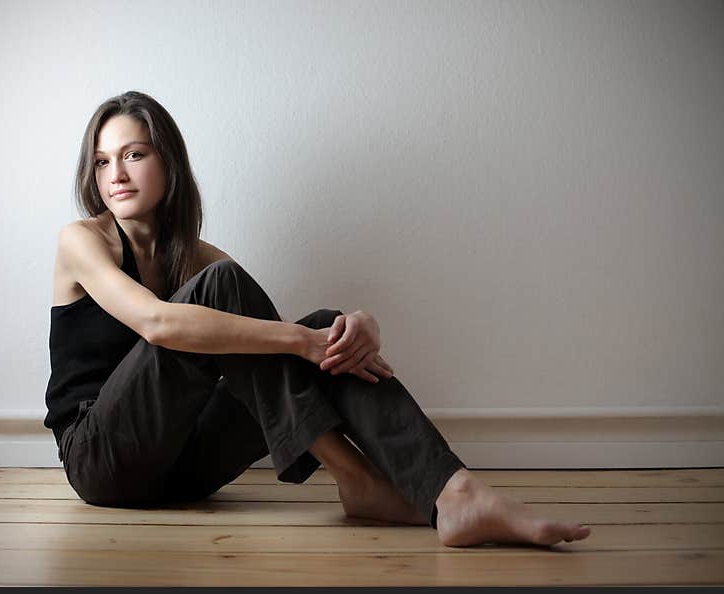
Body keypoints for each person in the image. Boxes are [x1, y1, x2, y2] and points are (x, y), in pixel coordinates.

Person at [44, 90, 591, 548]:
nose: (115, 173)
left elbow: (281, 361)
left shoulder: (197, 255)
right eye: (102, 160)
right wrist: (304, 341)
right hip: (102, 460)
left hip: (183, 470)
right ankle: (355, 479)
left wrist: (357, 324)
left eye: (134, 154)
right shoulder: (82, 242)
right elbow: (158, 324)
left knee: (321, 326)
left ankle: (456, 494)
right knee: (241, 301)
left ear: (168, 163)